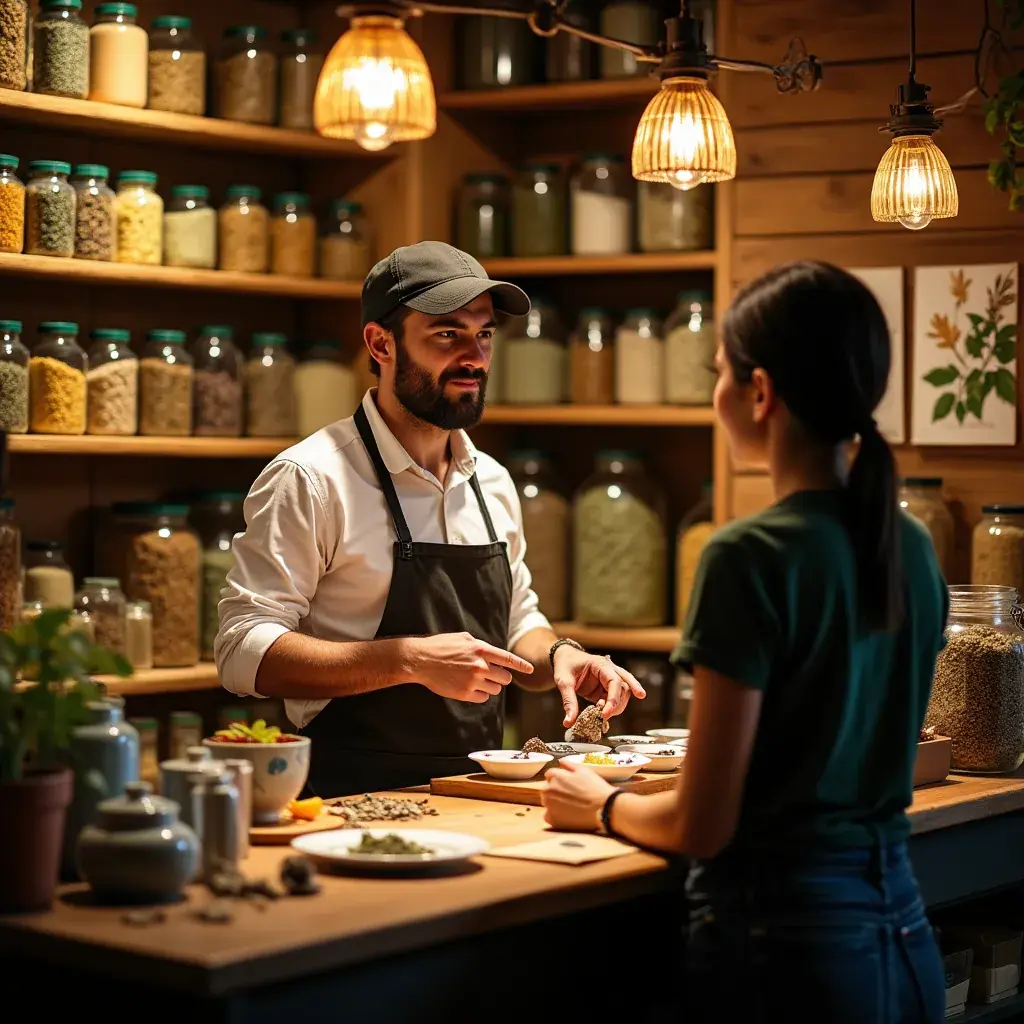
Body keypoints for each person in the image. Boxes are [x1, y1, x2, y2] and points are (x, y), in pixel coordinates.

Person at [541, 261, 947, 1023]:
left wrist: (601, 804)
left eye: (719, 373)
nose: (716, 392)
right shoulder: (911, 546)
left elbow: (702, 825)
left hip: (786, 948)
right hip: (901, 932)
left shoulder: (746, 556)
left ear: (760, 393)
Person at [215, 241, 643, 797]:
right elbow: (242, 650)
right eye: (447, 334)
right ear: (381, 343)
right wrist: (408, 660)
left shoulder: (491, 480)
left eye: (484, 334)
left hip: (481, 793)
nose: (474, 357)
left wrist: (563, 656)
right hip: (350, 801)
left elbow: (519, 624)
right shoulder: (312, 477)